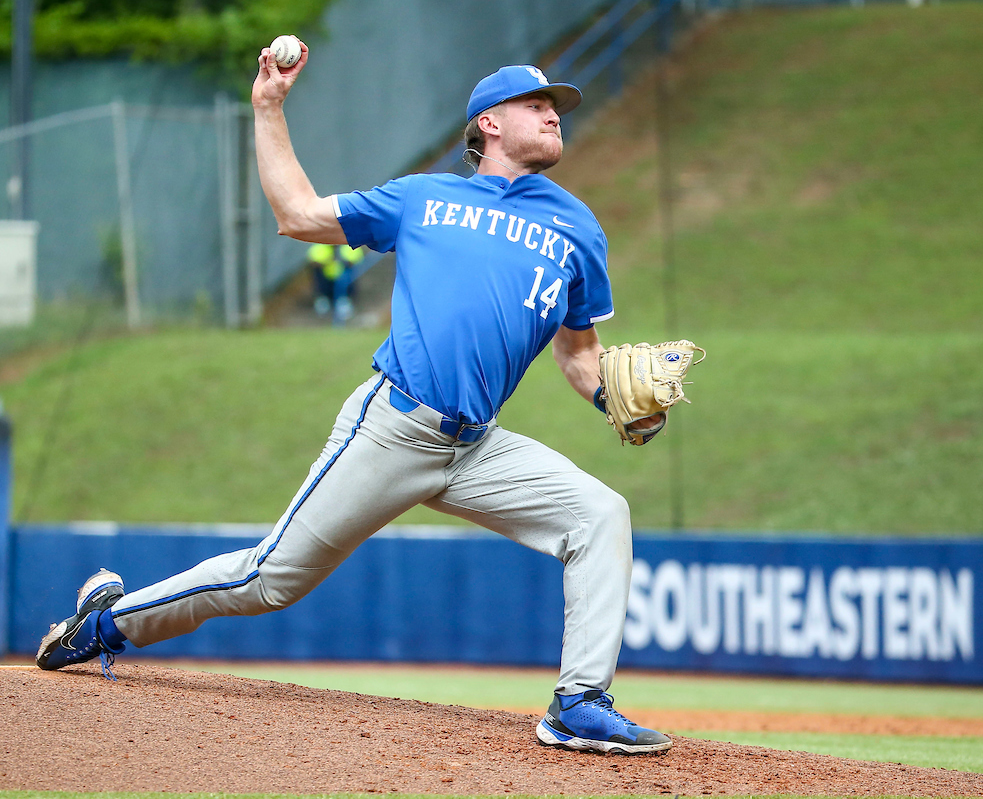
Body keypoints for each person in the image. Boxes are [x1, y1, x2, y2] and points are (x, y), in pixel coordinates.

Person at [36, 53, 671, 755]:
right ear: (489, 124)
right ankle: (104, 624)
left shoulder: (578, 227)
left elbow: (578, 352)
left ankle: (579, 702)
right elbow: (297, 215)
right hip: (395, 429)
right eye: (537, 103)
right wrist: (269, 107)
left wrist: (615, 397)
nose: (554, 115)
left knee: (601, 514)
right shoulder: (424, 199)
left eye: (557, 107)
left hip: (478, 447)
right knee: (269, 580)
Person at [308, 242, 363, 322]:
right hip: (326, 278)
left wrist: (342, 261)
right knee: (317, 274)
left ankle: (343, 301)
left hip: (342, 278)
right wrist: (327, 261)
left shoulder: (348, 246)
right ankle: (323, 301)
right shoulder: (321, 247)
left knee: (349, 274)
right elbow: (313, 261)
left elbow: (355, 259)